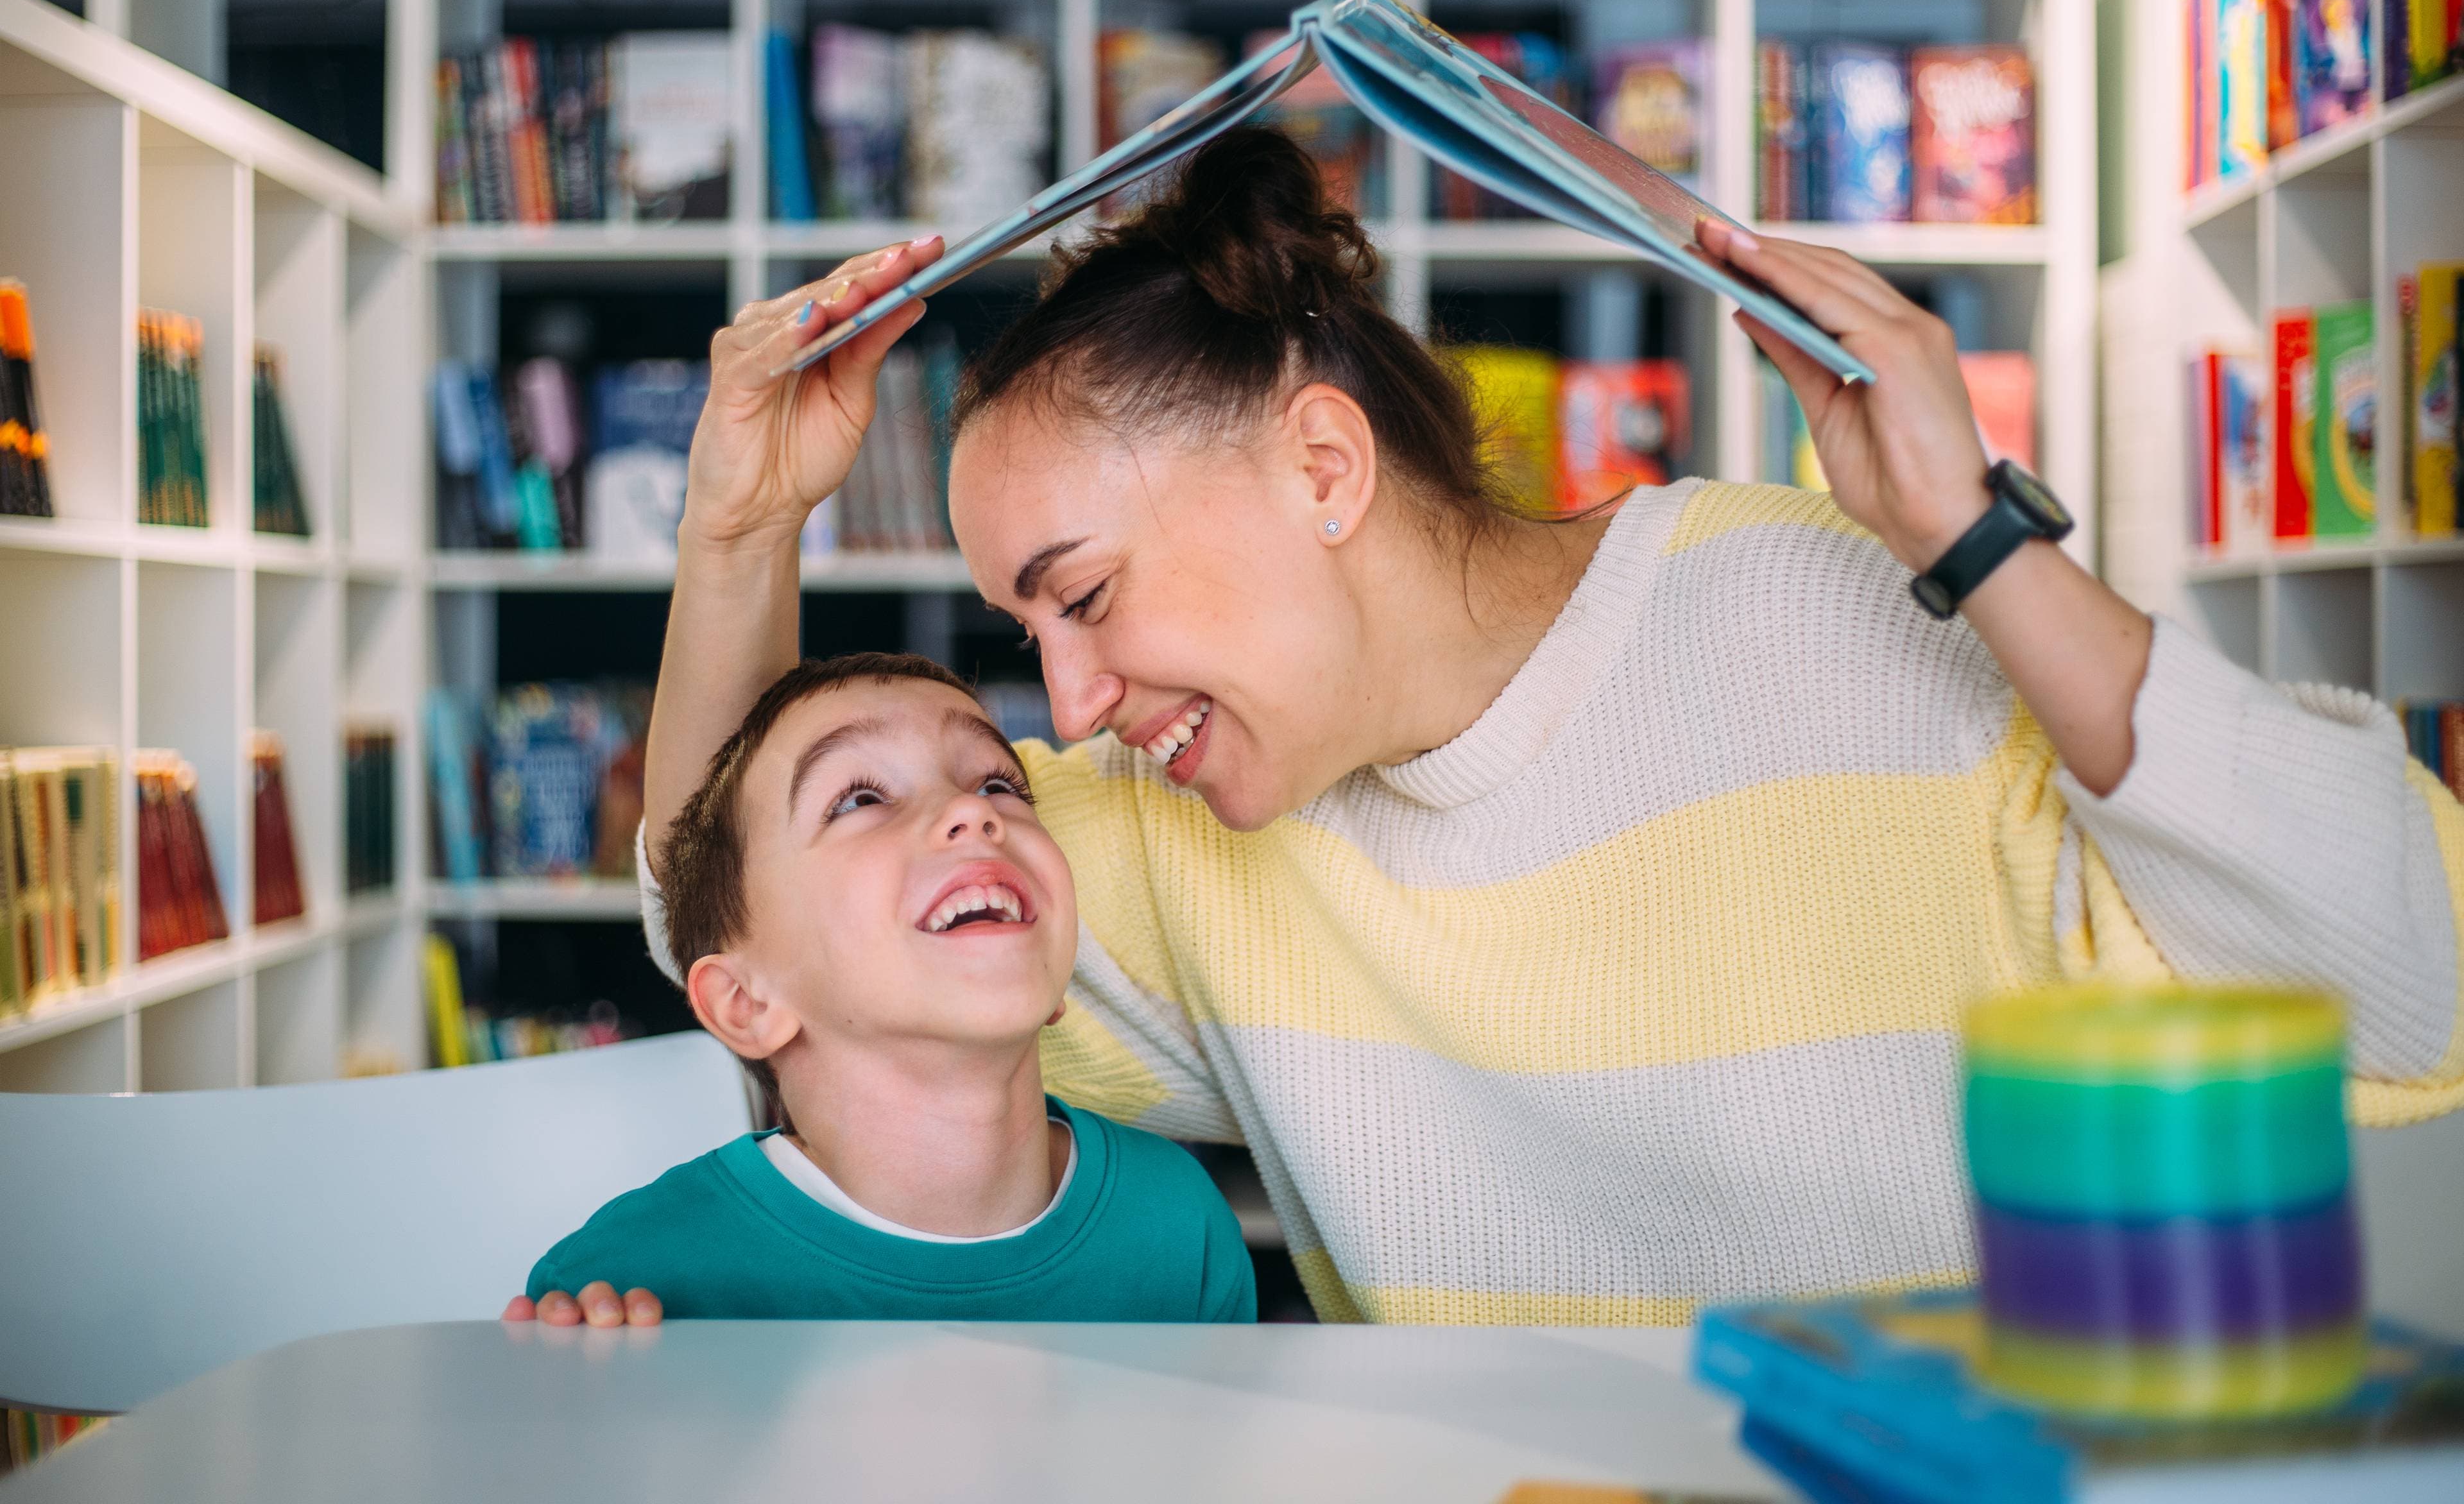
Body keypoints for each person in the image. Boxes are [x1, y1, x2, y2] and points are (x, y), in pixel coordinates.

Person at [593, 126, 2460, 1329]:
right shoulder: (1178, 832)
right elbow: (733, 920)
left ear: (1321, 465)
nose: (1065, 703)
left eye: (1082, 595)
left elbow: (2407, 968)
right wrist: (742, 523)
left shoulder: (1807, 605)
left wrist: (1975, 542)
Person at [509, 652, 1254, 1327]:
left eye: (999, 784)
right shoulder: (628, 1285)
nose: (973, 811)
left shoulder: (1181, 1231)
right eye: (861, 799)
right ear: (747, 1002)